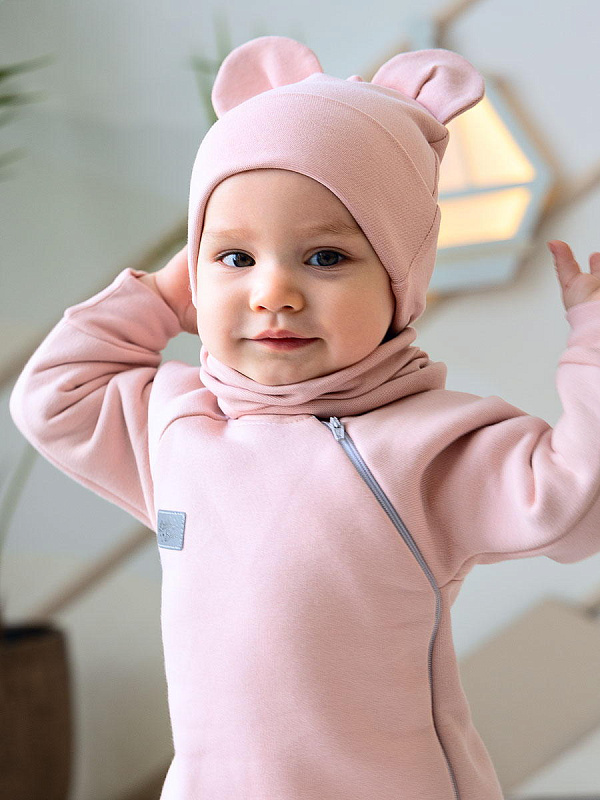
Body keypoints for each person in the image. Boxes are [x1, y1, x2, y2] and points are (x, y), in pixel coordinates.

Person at [8, 35, 600, 800]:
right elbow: (53, 396)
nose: (273, 294)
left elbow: (577, 501)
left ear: (399, 282)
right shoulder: (179, 426)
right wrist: (164, 290)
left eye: (324, 258)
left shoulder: (431, 447)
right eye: (236, 258)